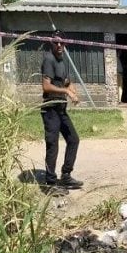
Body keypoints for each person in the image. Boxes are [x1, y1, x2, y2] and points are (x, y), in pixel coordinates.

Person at [40, 31, 83, 192]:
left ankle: (66, 176)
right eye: (56, 42)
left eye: (62, 43)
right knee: (53, 145)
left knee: (73, 139)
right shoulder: (49, 59)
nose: (59, 45)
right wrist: (66, 92)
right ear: (51, 43)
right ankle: (49, 184)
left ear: (65, 44)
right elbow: (46, 86)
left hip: (61, 109)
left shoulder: (62, 61)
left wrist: (73, 92)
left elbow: (66, 82)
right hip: (50, 108)